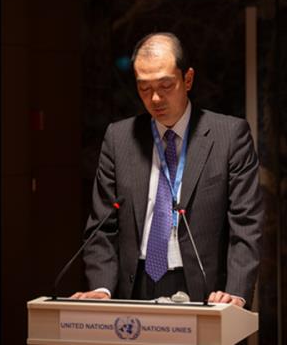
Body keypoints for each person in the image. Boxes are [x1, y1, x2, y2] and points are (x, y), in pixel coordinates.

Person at [71, 32, 263, 307]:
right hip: (134, 283)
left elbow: (246, 223)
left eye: (165, 85)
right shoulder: (119, 138)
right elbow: (102, 226)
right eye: (144, 88)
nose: (156, 98)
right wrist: (102, 286)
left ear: (187, 79)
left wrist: (236, 290)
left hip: (204, 286)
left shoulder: (229, 135)